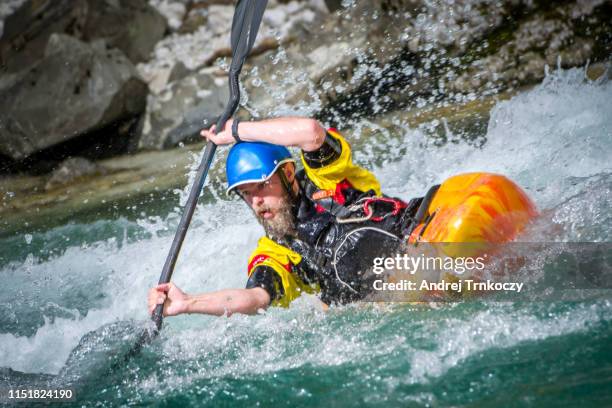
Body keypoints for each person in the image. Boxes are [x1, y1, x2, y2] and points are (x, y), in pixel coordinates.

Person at [148, 116, 423, 318]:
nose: (256, 200)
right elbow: (255, 298)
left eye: (262, 185)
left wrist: (235, 130)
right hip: (390, 299)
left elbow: (311, 132)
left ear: (289, 174)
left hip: (419, 239)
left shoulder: (323, 177)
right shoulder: (275, 250)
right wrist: (188, 303)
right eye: (246, 193)